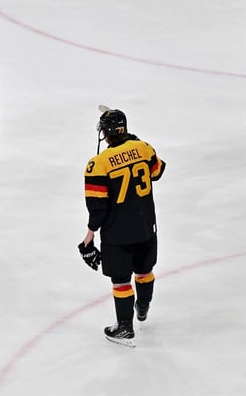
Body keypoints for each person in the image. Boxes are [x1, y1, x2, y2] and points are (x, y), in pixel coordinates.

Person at [80, 108, 165, 347]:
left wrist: (88, 238)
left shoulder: (98, 164)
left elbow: (97, 208)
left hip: (117, 234)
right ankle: (143, 306)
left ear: (105, 134)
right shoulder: (144, 148)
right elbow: (157, 172)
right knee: (144, 271)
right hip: (146, 227)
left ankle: (125, 327)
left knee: (120, 281)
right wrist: (135, 144)